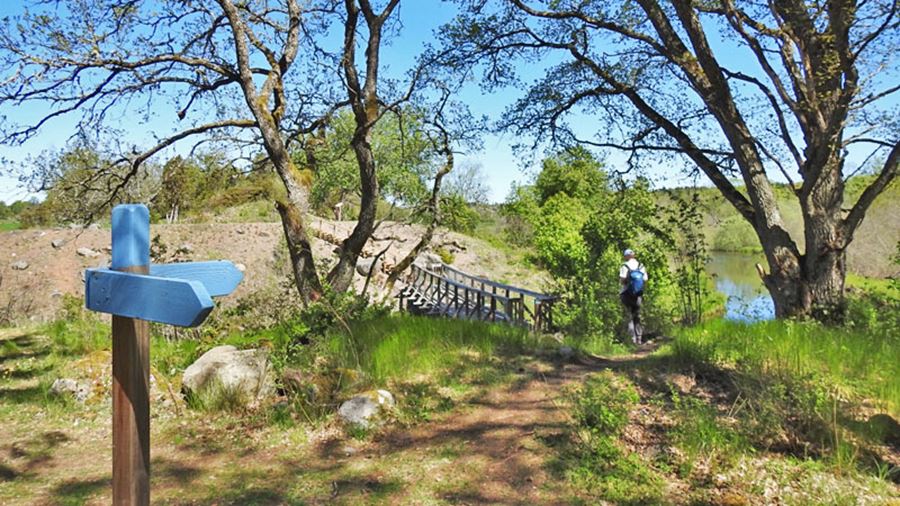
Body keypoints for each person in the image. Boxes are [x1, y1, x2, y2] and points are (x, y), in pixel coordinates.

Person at [619, 249, 648, 344]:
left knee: (628, 315)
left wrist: (626, 283)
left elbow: (622, 279)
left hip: (626, 293)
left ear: (626, 256)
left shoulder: (625, 266)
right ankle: (639, 338)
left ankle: (632, 340)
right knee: (637, 315)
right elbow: (645, 279)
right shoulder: (641, 266)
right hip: (638, 294)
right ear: (634, 256)